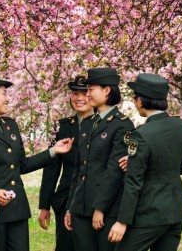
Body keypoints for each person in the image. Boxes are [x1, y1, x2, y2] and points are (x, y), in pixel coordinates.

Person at [0, 73, 74, 251]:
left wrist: (53, 151)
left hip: (17, 208)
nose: (7, 98)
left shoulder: (10, 125)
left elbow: (22, 165)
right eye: (3, 93)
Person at [108, 73, 182, 251]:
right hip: (175, 212)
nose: (135, 103)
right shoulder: (180, 126)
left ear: (142, 101)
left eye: (135, 98)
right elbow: (180, 168)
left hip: (148, 214)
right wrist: (139, 162)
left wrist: (122, 221)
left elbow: (133, 182)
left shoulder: (141, 134)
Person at [65, 67, 135, 251]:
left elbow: (115, 170)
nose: (86, 95)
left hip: (106, 209)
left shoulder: (122, 124)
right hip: (80, 207)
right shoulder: (88, 124)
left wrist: (100, 208)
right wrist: (70, 206)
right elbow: (79, 169)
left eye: (90, 89)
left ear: (106, 91)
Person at [38, 75, 94, 251]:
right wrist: (44, 205)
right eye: (75, 93)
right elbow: (51, 169)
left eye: (84, 93)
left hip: (96, 199)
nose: (79, 98)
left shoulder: (105, 126)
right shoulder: (61, 127)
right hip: (66, 197)